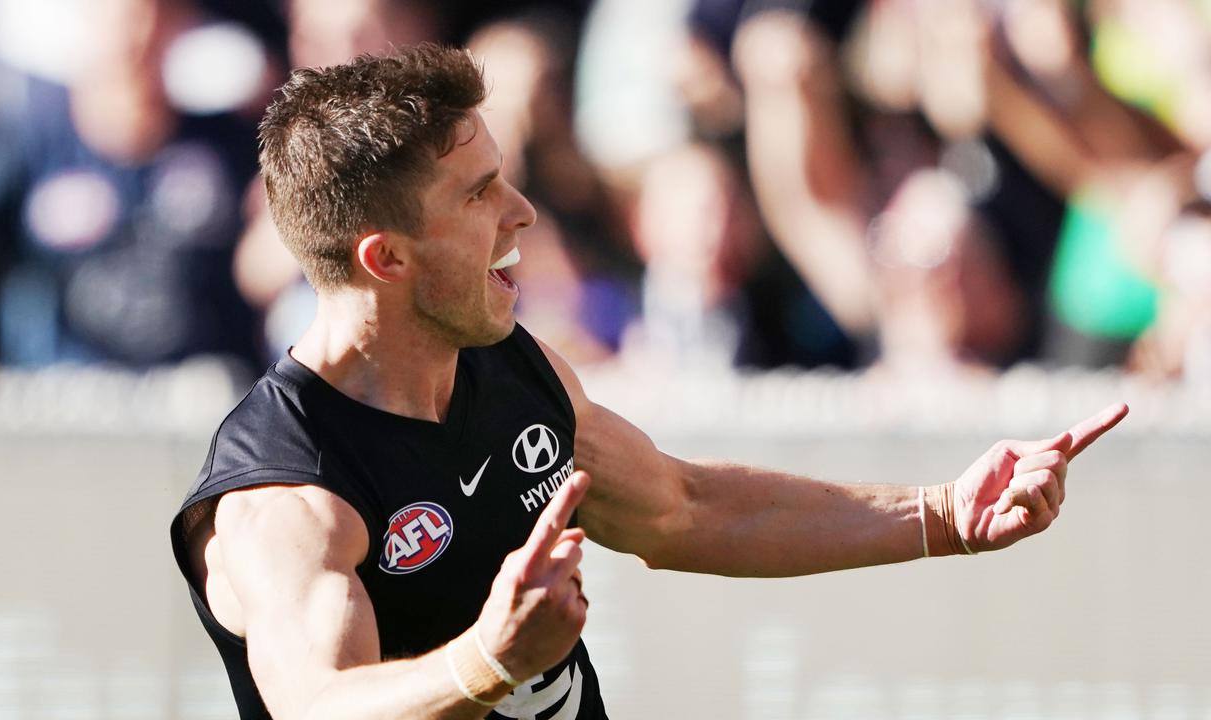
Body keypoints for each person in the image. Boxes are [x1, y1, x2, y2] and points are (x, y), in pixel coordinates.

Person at [169, 44, 1128, 720]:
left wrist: (943, 516)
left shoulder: (510, 365)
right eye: (477, 195)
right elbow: (321, 709)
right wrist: (487, 661)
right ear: (385, 258)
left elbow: (680, 508)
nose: (523, 211)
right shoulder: (286, 497)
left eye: (504, 176)